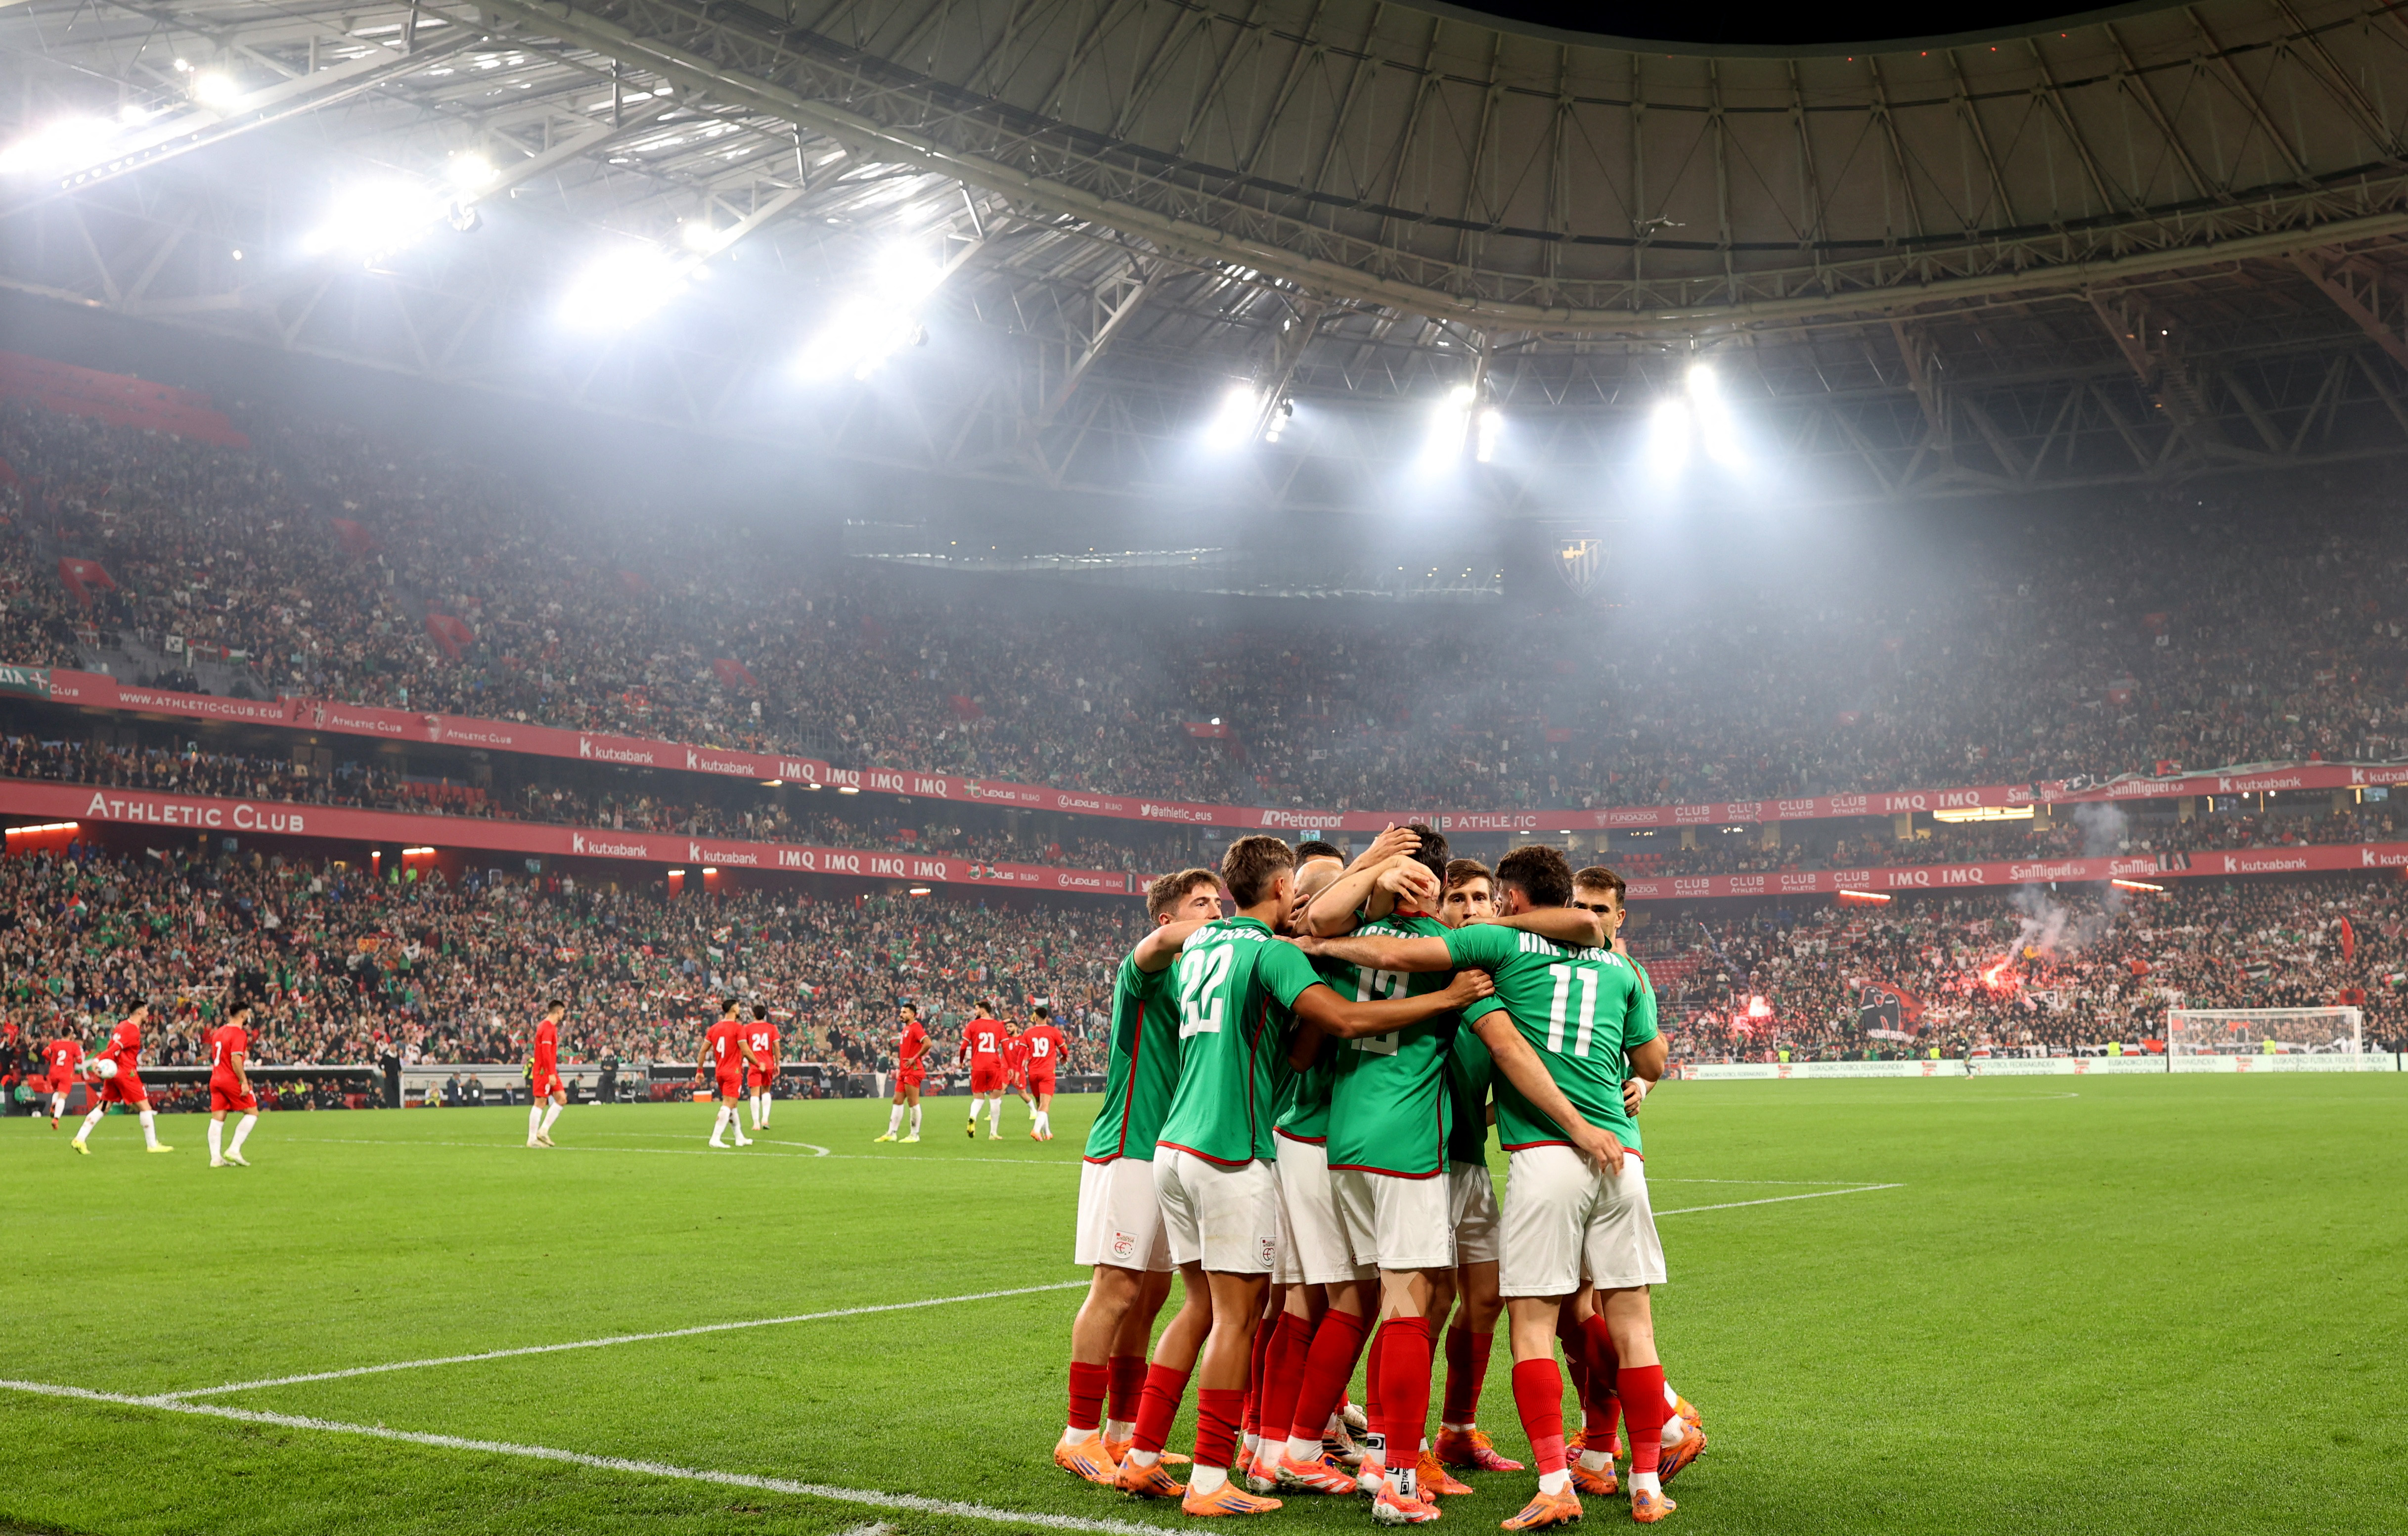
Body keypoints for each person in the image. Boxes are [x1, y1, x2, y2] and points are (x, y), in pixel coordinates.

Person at [1296, 845, 1681, 1527]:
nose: (1477, 909)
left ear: (1507, 900)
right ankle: (1391, 1457)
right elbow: (1583, 966)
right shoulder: (1536, 961)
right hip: (1444, 1152)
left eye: (1487, 898)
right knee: (1412, 1302)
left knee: (1491, 1308)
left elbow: (1506, 1037)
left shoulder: (1486, 955)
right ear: (1435, 899)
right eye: (1462, 899)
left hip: (1468, 1153)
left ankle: (1506, 1446)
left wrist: (1321, 931)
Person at [1112, 834, 1493, 1519]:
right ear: (1285, 889)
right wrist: (1444, 1000)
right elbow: (1340, 1018)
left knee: (1204, 1307)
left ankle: (1143, 1453)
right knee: (1251, 1315)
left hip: (1174, 1145)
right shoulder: (1278, 952)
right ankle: (1219, 1472)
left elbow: (1296, 1045)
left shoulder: (1199, 943)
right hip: (1239, 1151)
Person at [1054, 867, 1224, 1486]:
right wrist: (1194, 935)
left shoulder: (1204, 980)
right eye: (1200, 904)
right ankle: (1078, 1436)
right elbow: (1152, 948)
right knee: (1116, 1287)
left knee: (1151, 1297)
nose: (1214, 913)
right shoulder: (1148, 968)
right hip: (1127, 1146)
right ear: (1168, 919)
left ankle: (1124, 1435)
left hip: (1172, 1153)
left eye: (1218, 902)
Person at [71, 1001, 171, 1155]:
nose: (147, 1014)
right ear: (139, 1012)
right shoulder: (132, 1030)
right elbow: (114, 1048)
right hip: (127, 1073)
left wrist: (104, 1061)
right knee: (145, 1108)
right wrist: (98, 1060)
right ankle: (152, 1145)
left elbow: (112, 1045)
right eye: (145, 1010)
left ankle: (80, 1139)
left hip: (114, 1072)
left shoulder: (121, 1026)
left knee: (104, 1107)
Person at [207, 998, 261, 1168]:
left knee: (218, 1119)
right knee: (252, 1113)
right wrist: (244, 1081)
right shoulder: (239, 1034)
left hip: (216, 1078)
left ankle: (215, 1158)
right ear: (244, 1014)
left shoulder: (219, 1032)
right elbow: (236, 1059)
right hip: (230, 1079)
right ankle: (234, 1150)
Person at [703, 997, 762, 1148]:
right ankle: (715, 1138)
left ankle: (739, 1137)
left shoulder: (714, 1028)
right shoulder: (738, 1028)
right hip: (733, 1071)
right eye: (738, 1007)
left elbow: (703, 1051)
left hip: (720, 1071)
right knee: (728, 1105)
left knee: (733, 1105)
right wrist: (757, 1064)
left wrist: (699, 1070)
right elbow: (746, 1050)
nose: (740, 1009)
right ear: (734, 1009)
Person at [874, 1002, 930, 1142]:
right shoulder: (906, 1029)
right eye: (901, 1012)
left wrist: (915, 1058)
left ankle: (915, 1134)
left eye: (905, 1012)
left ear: (913, 1014)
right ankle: (892, 1133)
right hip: (904, 1071)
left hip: (913, 1070)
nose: (901, 1014)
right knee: (897, 1100)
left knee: (913, 1102)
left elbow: (928, 1043)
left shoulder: (916, 1027)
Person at [960, 1000, 1011, 1139]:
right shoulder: (998, 1026)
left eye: (976, 1009)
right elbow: (1005, 1048)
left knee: (978, 1098)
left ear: (983, 1010)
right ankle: (993, 1133)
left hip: (978, 1066)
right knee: (995, 1099)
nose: (975, 1012)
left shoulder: (972, 1025)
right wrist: (1011, 1066)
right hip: (994, 1066)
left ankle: (972, 1118)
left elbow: (964, 1047)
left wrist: (960, 1061)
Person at [1021, 1002, 1067, 1141]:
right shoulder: (1054, 1032)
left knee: (1041, 1104)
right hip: (1047, 1073)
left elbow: (1021, 1054)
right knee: (1045, 1105)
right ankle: (1036, 1130)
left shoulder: (1028, 1033)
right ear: (1047, 1018)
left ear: (1036, 1018)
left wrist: (1018, 1070)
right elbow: (1064, 1050)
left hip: (1033, 1073)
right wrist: (1064, 1057)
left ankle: (1047, 1133)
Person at [527, 998, 568, 1148]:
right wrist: (550, 1073)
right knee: (540, 1102)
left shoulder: (551, 1028)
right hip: (544, 1071)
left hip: (550, 1070)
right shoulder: (546, 1027)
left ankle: (543, 1131)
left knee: (562, 1098)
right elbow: (545, 1052)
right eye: (563, 1011)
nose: (564, 1014)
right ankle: (532, 1139)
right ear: (558, 1011)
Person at [42, 1025, 84, 1130]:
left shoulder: (55, 1043)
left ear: (61, 1034)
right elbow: (80, 1061)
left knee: (57, 1091)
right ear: (70, 1035)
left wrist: (51, 1060)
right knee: (63, 1096)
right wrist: (72, 1060)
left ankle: (54, 1104)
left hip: (54, 1073)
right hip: (66, 1073)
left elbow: (44, 1053)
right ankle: (56, 1119)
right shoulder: (74, 1046)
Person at [746, 1004, 781, 1131]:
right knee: (766, 1091)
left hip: (755, 1065)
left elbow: (744, 1047)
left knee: (754, 1094)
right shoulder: (772, 1028)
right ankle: (765, 1119)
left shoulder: (748, 1028)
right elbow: (777, 1047)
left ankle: (756, 1123)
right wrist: (778, 1064)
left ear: (753, 1014)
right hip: (769, 1064)